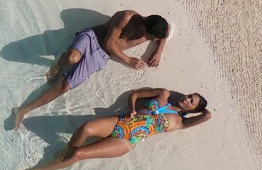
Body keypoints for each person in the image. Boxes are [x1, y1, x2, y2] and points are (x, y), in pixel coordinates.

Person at [11, 10, 171, 129]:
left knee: (65, 86)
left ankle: (23, 110)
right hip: (93, 38)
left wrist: (159, 50)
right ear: (145, 27)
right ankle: (58, 65)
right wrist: (128, 60)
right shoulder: (126, 17)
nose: (153, 40)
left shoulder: (153, 27)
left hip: (101, 55)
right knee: (72, 58)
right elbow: (109, 43)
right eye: (152, 38)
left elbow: (166, 31)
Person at [21, 88, 211, 170]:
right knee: (86, 128)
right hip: (120, 122)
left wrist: (200, 109)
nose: (187, 99)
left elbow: (208, 115)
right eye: (189, 95)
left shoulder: (179, 122)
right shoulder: (163, 94)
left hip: (127, 141)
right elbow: (135, 94)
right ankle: (66, 149)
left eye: (191, 101)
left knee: (79, 154)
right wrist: (132, 108)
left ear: (193, 109)